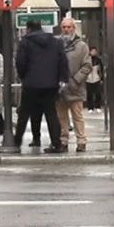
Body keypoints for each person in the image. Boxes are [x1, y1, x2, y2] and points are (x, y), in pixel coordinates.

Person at [15, 18, 68, 152]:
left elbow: (20, 62)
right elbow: (63, 61)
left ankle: (16, 143)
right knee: (51, 113)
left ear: (28, 29)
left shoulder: (25, 42)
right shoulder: (56, 42)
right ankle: (56, 143)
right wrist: (62, 79)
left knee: (24, 113)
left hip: (31, 83)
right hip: (50, 84)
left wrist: (23, 77)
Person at [58, 20, 94, 153]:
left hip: (75, 87)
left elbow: (87, 66)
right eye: (64, 27)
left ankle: (81, 141)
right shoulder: (57, 44)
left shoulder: (82, 46)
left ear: (74, 28)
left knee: (77, 116)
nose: (66, 29)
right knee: (62, 117)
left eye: (69, 27)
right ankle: (63, 141)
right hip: (60, 88)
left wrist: (76, 80)